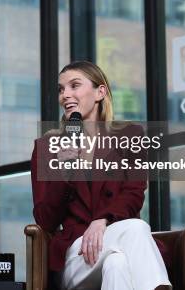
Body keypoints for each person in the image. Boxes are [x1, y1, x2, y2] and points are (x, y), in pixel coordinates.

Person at [31, 61, 171, 290]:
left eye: (74, 85)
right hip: (75, 254)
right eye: (61, 89)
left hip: (117, 239)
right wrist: (61, 171)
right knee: (136, 228)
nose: (65, 95)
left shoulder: (130, 135)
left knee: (117, 264)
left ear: (100, 92)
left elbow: (134, 194)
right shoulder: (47, 146)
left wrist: (102, 220)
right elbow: (45, 218)